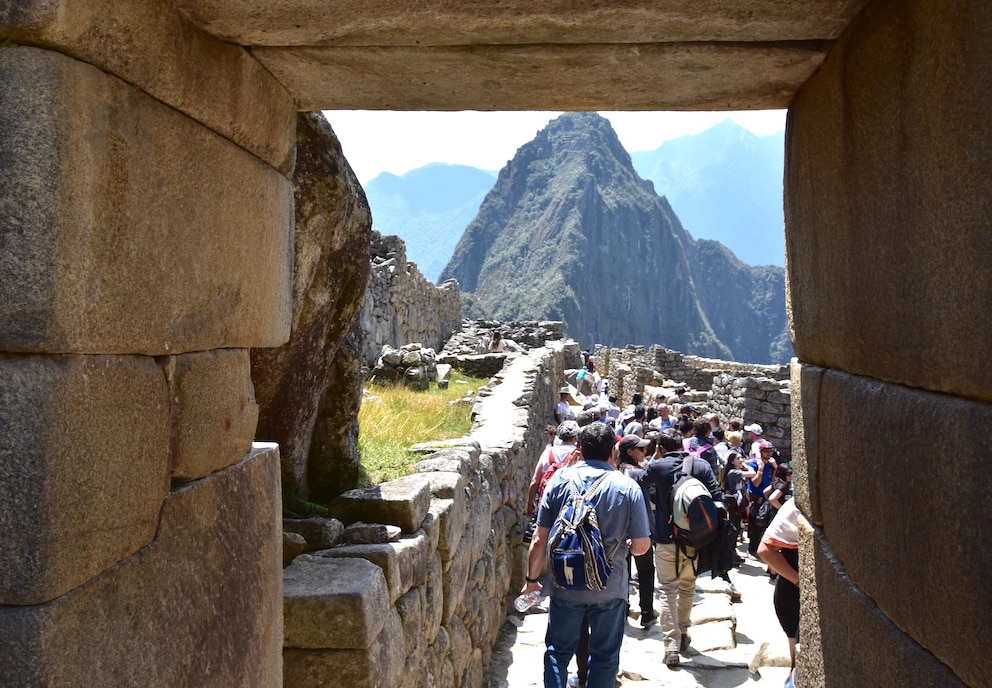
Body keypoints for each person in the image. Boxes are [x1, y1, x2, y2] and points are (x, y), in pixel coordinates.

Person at [520, 423, 652, 688]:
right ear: (613, 451)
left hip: (564, 583)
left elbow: (538, 539)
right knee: (604, 656)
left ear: (579, 449)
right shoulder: (627, 487)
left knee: (557, 652)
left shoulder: (558, 481)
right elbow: (641, 547)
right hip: (609, 586)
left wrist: (531, 580)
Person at [642, 429, 723, 668]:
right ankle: (684, 632)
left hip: (666, 538)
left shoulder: (658, 466)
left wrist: (655, 460)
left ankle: (671, 645)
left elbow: (640, 484)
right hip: (694, 540)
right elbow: (716, 497)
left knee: (668, 589)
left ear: (661, 448)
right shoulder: (700, 466)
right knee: (688, 586)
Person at [616, 433, 656, 628]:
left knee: (623, 570)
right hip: (640, 528)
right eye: (640, 449)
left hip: (618, 531)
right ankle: (647, 611)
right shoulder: (640, 474)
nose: (644, 451)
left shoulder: (615, 472)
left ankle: (622, 610)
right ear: (629, 451)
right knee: (646, 570)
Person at [758, 499, 801, 672]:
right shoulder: (795, 508)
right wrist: (800, 582)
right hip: (793, 595)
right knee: (799, 666)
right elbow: (765, 549)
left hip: (791, 591)